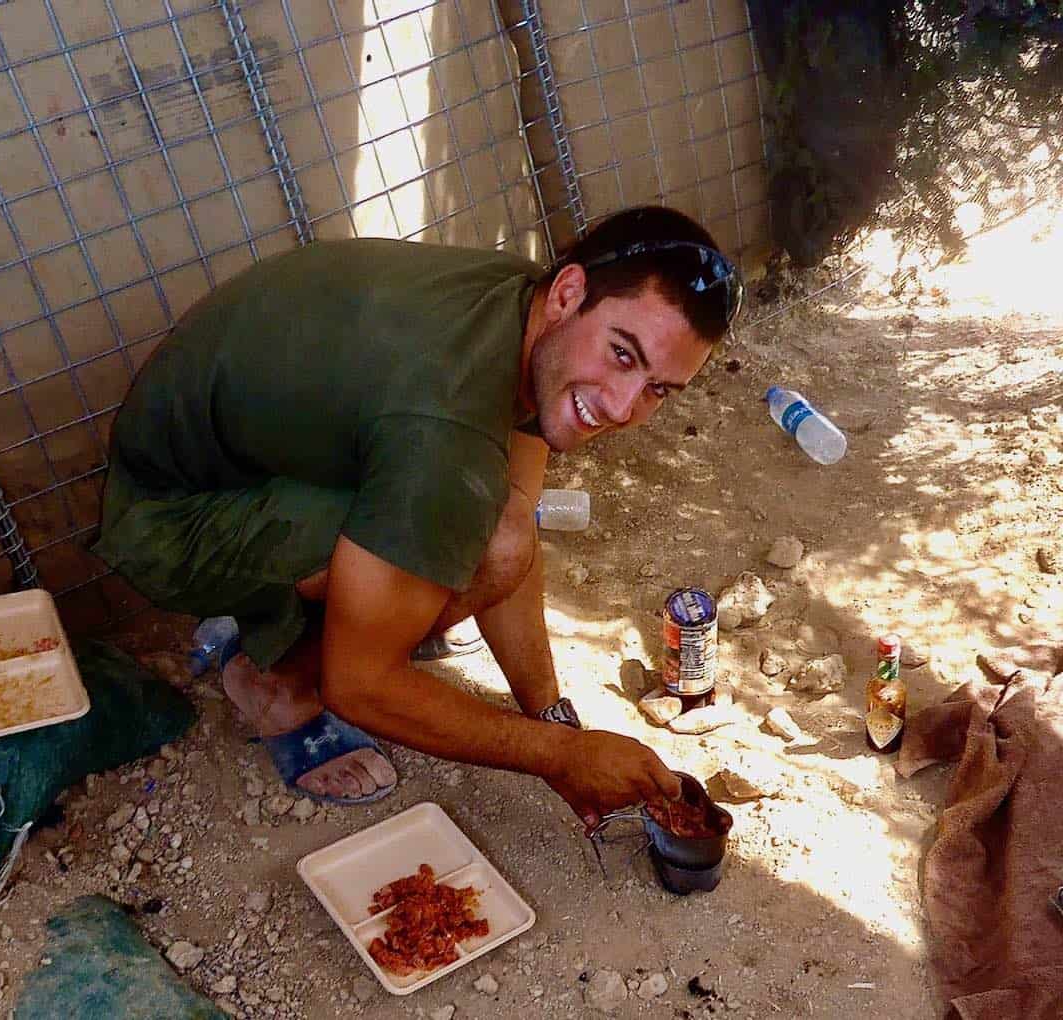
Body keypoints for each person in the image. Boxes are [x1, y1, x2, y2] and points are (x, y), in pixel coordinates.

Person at [92, 205, 743, 828]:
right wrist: (563, 759)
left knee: (496, 532)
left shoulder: (527, 313)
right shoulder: (446, 417)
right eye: (623, 354)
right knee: (457, 534)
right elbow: (359, 685)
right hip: (168, 518)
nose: (625, 405)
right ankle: (275, 686)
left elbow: (513, 522)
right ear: (571, 294)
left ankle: (375, 600)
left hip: (256, 462)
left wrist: (555, 722)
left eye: (658, 388)